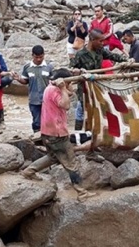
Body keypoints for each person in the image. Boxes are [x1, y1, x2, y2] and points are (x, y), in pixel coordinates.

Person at [21, 68, 97, 202]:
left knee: (52, 157)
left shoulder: (50, 87)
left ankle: (29, 171)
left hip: (47, 132)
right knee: (71, 162)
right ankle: (82, 192)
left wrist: (67, 86)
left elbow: (70, 94)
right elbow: (66, 105)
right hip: (57, 133)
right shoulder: (55, 90)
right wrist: (62, 88)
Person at [70, 29, 129, 132]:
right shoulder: (81, 54)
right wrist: (77, 71)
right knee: (81, 110)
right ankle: (78, 134)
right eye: (100, 41)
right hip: (84, 89)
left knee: (99, 110)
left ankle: (97, 133)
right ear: (92, 40)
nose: (103, 43)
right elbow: (71, 69)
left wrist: (127, 59)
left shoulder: (100, 51)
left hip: (98, 87)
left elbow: (113, 56)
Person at [13, 45, 54, 133]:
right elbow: (25, 81)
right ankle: (37, 140)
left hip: (47, 99)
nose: (39, 59)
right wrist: (19, 79)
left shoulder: (49, 67)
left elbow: (53, 81)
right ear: (32, 55)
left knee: (48, 120)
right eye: (36, 57)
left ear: (44, 55)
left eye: (41, 57)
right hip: (34, 99)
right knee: (36, 122)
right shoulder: (27, 67)